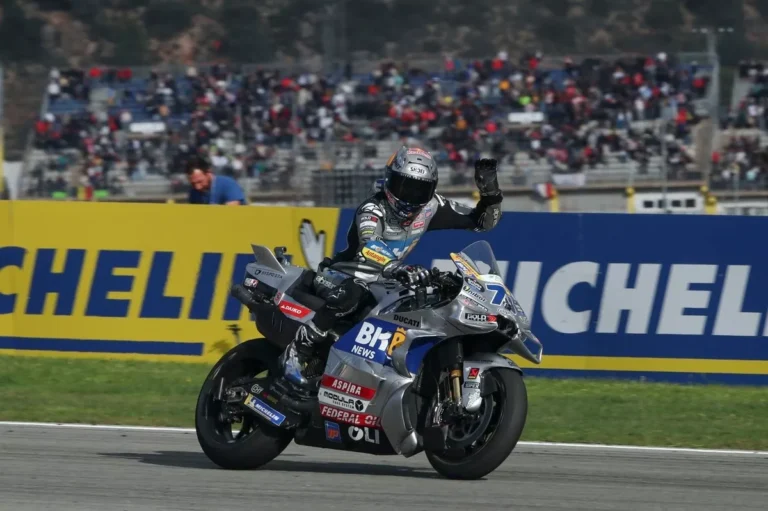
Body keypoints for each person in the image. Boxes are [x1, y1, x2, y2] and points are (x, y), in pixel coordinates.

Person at [282, 145, 503, 388]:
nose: (411, 197)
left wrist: (491, 194)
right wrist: (396, 267)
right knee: (355, 291)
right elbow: (369, 245)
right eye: (404, 186)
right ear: (389, 180)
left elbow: (482, 223)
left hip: (385, 282)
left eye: (420, 189)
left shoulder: (431, 207)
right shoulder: (372, 208)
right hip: (341, 275)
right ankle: (298, 349)